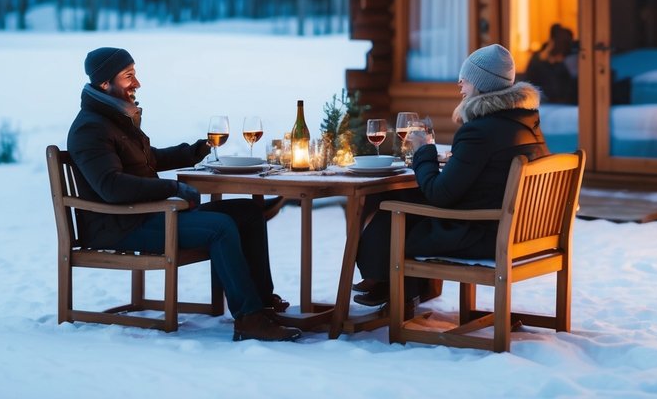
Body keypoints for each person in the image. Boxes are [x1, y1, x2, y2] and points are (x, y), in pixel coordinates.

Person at [66, 47, 302, 342]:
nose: (136, 83)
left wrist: (193, 152)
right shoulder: (90, 128)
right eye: (128, 76)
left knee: (247, 213)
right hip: (119, 226)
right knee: (220, 228)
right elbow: (112, 187)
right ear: (104, 83)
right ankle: (249, 319)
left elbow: (146, 159)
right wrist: (173, 188)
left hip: (146, 215)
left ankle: (262, 303)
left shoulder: (114, 119)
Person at [352, 43, 549, 312]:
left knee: (393, 209)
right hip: (523, 230)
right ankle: (391, 285)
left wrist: (423, 149)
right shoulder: (525, 124)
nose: (459, 82)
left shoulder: (480, 131)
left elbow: (439, 194)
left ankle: (384, 280)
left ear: (482, 83)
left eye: (466, 77)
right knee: (403, 196)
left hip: (486, 234)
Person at [525, 23, 577, 105]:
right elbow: (528, 85)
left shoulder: (566, 63)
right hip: (543, 105)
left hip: (562, 106)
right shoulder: (537, 62)